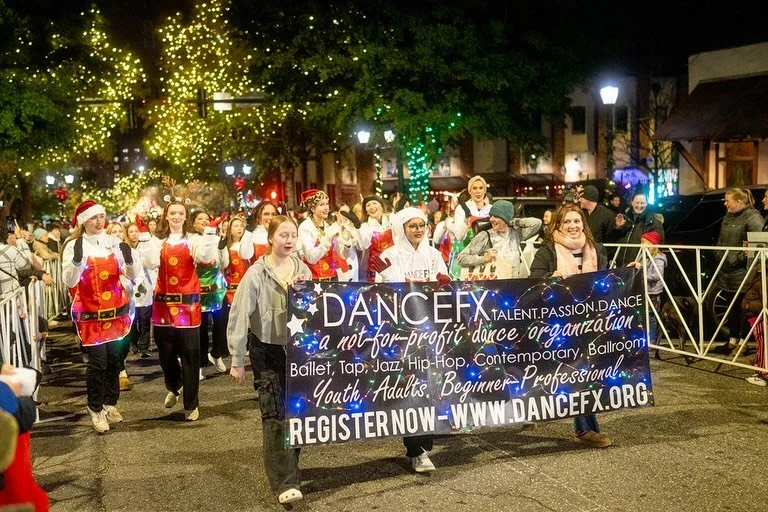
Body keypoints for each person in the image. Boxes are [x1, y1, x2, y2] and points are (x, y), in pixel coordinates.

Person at [227, 215, 311, 505]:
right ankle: (284, 481)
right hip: (267, 351)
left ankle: (290, 468)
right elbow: (239, 316)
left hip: (298, 352)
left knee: (297, 413)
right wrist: (237, 358)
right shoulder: (256, 273)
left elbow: (316, 312)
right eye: (283, 235)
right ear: (271, 238)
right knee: (274, 415)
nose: (288, 241)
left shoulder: (304, 271)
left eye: (293, 235)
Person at [371, 207, 449, 471]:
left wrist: (444, 282)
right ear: (401, 229)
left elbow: (445, 285)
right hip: (402, 334)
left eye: (421, 225)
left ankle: (423, 445)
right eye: (412, 226)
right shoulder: (389, 255)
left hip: (431, 331)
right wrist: (390, 278)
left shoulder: (433, 253)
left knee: (431, 387)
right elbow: (382, 293)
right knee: (411, 389)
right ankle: (416, 450)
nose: (417, 230)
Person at [529, 204, 613, 449]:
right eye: (567, 222)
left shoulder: (596, 249)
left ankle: (585, 427)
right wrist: (549, 280)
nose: (573, 226)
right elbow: (534, 281)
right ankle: (530, 409)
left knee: (584, 372)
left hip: (589, 321)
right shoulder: (547, 251)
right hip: (557, 323)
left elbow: (605, 279)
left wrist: (626, 276)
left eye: (577, 221)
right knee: (554, 373)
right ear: (558, 225)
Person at [136, 199, 222, 421]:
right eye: (172, 213)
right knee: (165, 354)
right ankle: (174, 386)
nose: (176, 216)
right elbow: (150, 262)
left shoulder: (193, 239)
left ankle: (191, 404)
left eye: (180, 213)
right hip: (163, 304)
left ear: (186, 216)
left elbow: (204, 258)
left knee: (190, 355)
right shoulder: (158, 240)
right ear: (166, 215)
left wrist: (210, 234)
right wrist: (144, 237)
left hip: (188, 304)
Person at [62, 200, 138, 432]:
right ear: (84, 221)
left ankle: (110, 403)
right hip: (90, 314)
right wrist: (76, 261)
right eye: (93, 218)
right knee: (98, 362)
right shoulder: (74, 245)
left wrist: (131, 260)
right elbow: (69, 281)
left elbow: (132, 276)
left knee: (115, 360)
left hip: (116, 313)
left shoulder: (113, 243)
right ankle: (95, 409)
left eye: (101, 216)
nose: (98, 221)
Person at [713, 188, 764, 354]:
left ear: (740, 202)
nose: (725, 203)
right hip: (726, 271)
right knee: (731, 307)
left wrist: (738, 259)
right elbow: (720, 239)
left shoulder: (753, 217)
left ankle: (743, 342)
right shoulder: (728, 217)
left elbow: (757, 245)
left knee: (744, 307)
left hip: (743, 271)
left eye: (728, 200)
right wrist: (719, 254)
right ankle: (732, 340)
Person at [455, 200, 541, 278]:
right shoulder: (484, 236)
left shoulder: (516, 234)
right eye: (491, 216)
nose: (491, 219)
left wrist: (511, 221)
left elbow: (536, 223)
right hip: (492, 286)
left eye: (496, 216)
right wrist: (483, 258)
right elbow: (461, 258)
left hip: (512, 286)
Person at [189, 210, 229, 377]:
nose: (204, 221)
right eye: (200, 219)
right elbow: (199, 258)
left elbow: (224, 262)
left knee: (222, 323)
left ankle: (216, 354)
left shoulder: (216, 238)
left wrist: (220, 248)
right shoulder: (192, 240)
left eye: (207, 218)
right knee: (202, 328)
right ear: (193, 223)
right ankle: (200, 364)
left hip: (218, 288)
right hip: (199, 289)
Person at [297, 189, 349, 281]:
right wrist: (327, 238)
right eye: (321, 204)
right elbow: (311, 258)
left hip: (333, 278)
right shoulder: (305, 227)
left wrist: (347, 244)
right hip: (314, 280)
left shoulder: (328, 226)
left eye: (327, 204)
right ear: (312, 208)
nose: (326, 208)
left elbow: (342, 256)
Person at [627, 231, 667, 351]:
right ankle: (642, 338)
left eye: (643, 242)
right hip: (643, 290)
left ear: (652, 243)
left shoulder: (658, 258)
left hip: (653, 292)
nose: (641, 245)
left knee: (651, 316)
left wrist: (641, 270)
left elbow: (656, 275)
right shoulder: (643, 255)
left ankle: (652, 340)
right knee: (641, 316)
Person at [126, 221, 155, 358]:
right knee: (132, 318)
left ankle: (144, 347)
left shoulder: (147, 246)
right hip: (131, 288)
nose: (134, 234)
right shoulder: (125, 249)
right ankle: (134, 343)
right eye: (131, 231)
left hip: (146, 287)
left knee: (144, 318)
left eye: (136, 231)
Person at [613, 192, 664, 266]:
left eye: (642, 203)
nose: (639, 205)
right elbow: (614, 239)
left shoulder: (653, 221)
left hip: (640, 266)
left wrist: (645, 263)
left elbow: (659, 244)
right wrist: (618, 227)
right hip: (621, 265)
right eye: (637, 202)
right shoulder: (625, 219)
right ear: (632, 203)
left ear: (646, 203)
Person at [358, 195, 394, 281]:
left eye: (374, 203)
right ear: (366, 211)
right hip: (375, 268)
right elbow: (364, 245)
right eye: (368, 205)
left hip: (393, 264)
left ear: (381, 206)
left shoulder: (392, 220)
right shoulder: (365, 226)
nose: (371, 207)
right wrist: (357, 228)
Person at [742, 267, 767, 386]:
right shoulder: (759, 276)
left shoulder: (763, 278)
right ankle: (760, 370)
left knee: (762, 344)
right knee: (762, 343)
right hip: (756, 315)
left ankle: (763, 373)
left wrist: (749, 306)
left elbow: (764, 301)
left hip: (758, 315)